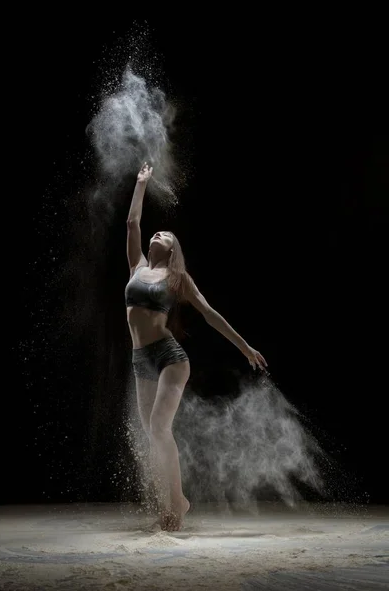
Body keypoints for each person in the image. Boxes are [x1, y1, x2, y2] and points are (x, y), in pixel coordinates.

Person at [125, 163, 267, 531]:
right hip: (141, 359)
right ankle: (171, 503)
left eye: (167, 234)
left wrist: (245, 347)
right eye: (157, 232)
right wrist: (141, 184)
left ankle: (177, 505)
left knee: (159, 427)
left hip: (170, 357)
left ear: (173, 250)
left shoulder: (178, 278)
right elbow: (132, 225)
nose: (159, 233)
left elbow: (210, 314)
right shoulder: (136, 267)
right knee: (151, 436)